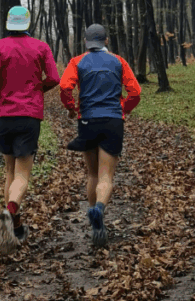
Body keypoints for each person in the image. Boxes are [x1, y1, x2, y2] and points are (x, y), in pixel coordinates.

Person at [0, 5, 60, 255]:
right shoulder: (41, 47)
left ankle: (14, 226)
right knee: (22, 175)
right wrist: (38, 90)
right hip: (29, 116)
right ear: (27, 24)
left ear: (8, 24)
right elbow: (54, 78)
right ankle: (10, 212)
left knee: (9, 172)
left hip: (4, 114)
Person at [59, 24, 141, 247]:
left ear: (86, 42)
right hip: (113, 120)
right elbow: (135, 91)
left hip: (87, 121)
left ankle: (95, 221)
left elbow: (65, 87)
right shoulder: (118, 61)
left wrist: (71, 108)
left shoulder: (77, 62)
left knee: (92, 174)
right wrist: (124, 108)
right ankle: (99, 211)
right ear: (106, 41)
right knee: (106, 177)